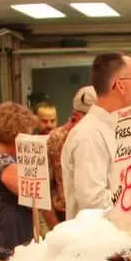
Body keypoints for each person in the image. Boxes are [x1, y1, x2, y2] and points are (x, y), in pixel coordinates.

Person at [61, 53, 131, 218]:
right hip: (96, 240)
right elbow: (93, 202)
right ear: (120, 85)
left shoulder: (113, 129)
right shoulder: (89, 135)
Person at [0, 102, 39, 261]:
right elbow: (31, 193)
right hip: (7, 249)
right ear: (17, 133)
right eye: (27, 133)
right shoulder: (2, 162)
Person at [48, 86, 95, 222]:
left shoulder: (100, 138)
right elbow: (44, 189)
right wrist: (55, 227)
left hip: (97, 216)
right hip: (64, 214)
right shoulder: (56, 138)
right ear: (76, 116)